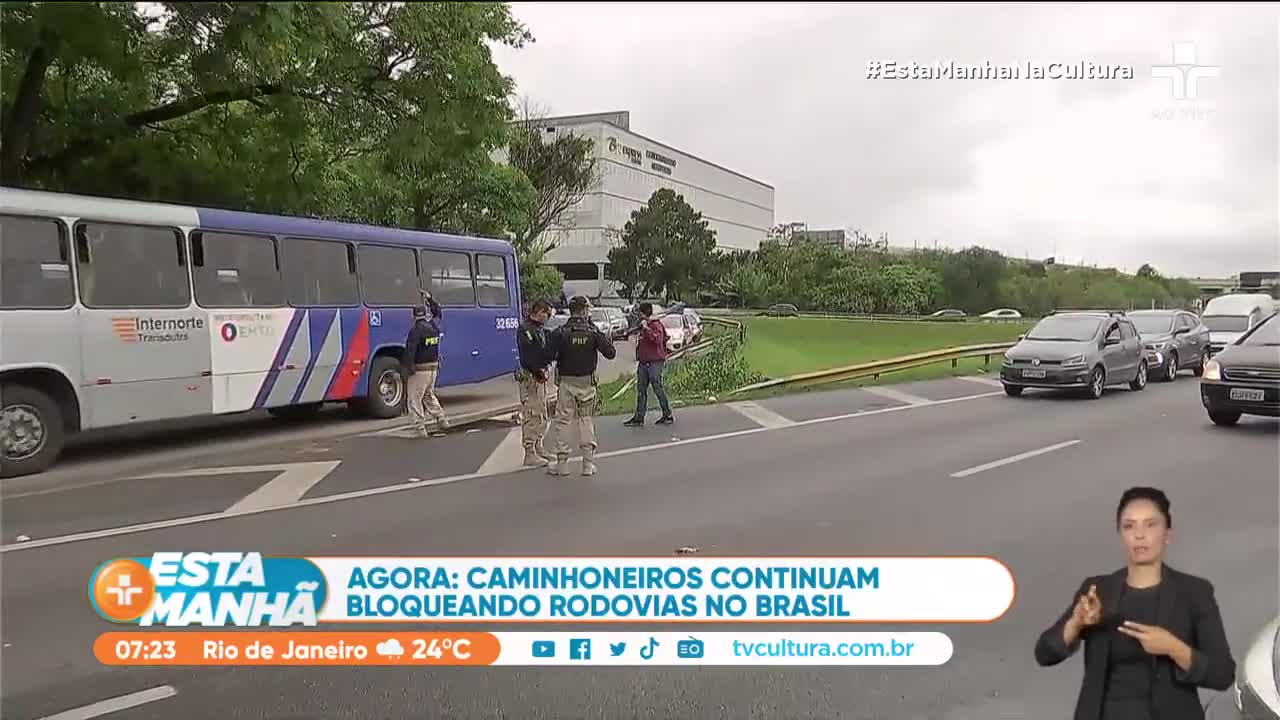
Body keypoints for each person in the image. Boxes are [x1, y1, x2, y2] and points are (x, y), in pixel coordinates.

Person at [1034, 487, 1234, 720]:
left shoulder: (1195, 592)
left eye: (1150, 525)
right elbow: (1044, 654)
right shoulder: (1098, 591)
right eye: (1129, 526)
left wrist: (1174, 647)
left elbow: (1222, 674)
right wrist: (1076, 623)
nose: (1139, 535)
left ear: (1168, 534)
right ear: (1120, 535)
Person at [543, 295, 616, 476]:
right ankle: (588, 464)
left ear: (571, 310)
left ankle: (562, 465)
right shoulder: (593, 331)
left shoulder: (560, 332)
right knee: (586, 420)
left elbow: (547, 355)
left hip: (566, 383)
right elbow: (611, 353)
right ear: (584, 310)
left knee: (563, 421)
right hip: (587, 383)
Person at [516, 299, 557, 466]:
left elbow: (545, 352)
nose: (548, 317)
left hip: (541, 376)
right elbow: (528, 357)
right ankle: (529, 452)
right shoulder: (525, 330)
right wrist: (538, 371)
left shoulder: (540, 330)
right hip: (531, 378)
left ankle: (539, 446)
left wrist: (546, 366)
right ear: (539, 311)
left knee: (541, 413)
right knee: (532, 414)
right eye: (546, 314)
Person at [402, 292, 448, 438]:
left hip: (420, 370)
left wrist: (408, 369)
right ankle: (441, 418)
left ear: (414, 316)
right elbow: (438, 312)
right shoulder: (433, 327)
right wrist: (430, 299)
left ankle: (420, 428)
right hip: (433, 369)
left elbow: (410, 352)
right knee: (428, 395)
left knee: (414, 398)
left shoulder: (415, 331)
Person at [623, 301, 674, 426]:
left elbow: (657, 340)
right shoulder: (642, 326)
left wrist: (647, 328)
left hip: (655, 361)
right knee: (641, 390)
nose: (638, 317)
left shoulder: (655, 325)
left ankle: (667, 414)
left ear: (644, 313)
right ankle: (639, 417)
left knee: (657, 387)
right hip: (644, 362)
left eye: (640, 314)